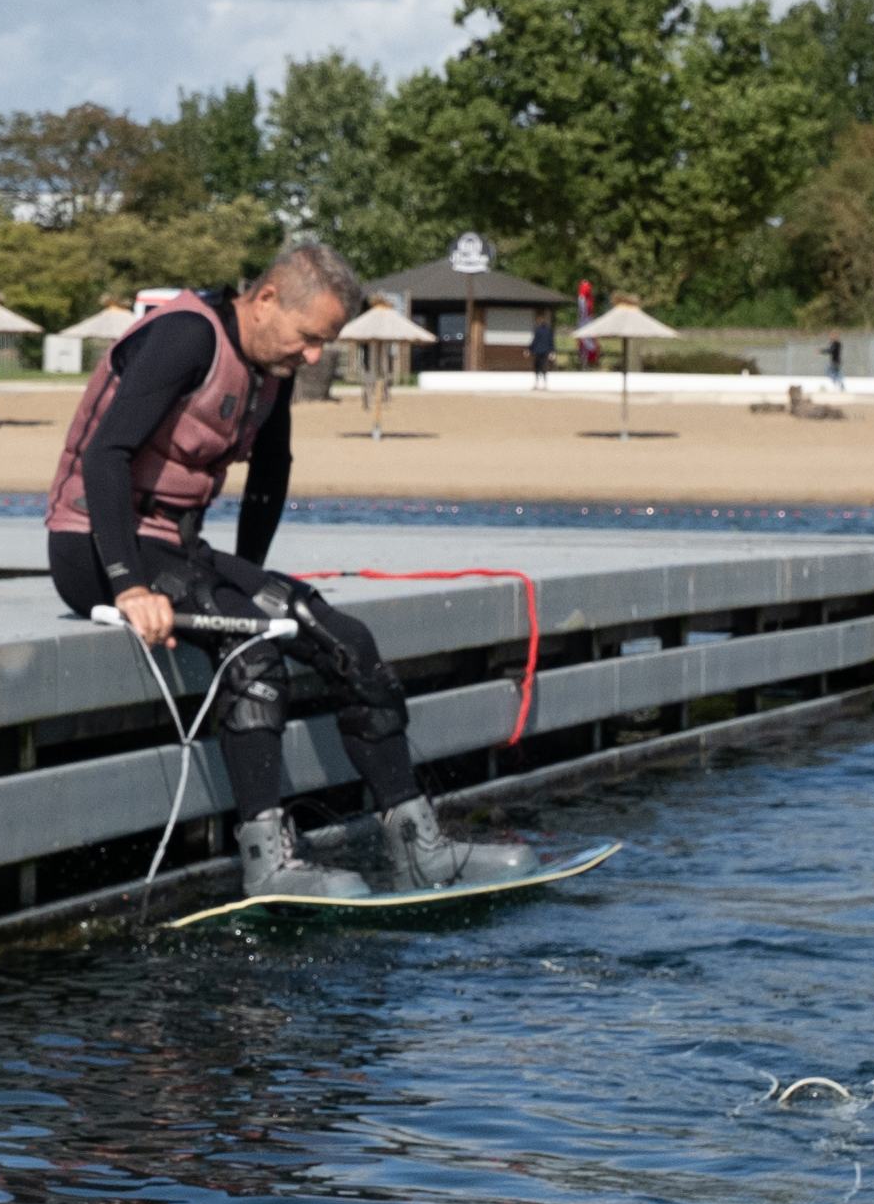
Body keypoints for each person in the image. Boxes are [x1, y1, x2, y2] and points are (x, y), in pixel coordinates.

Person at [49, 240, 521, 896]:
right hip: (93, 547)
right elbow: (106, 455)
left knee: (346, 639)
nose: (313, 356)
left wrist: (250, 581)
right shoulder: (187, 336)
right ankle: (267, 862)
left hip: (179, 551)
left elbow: (271, 475)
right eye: (308, 338)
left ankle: (418, 847)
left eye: (323, 343)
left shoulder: (272, 369)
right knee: (252, 648)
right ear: (266, 299)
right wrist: (128, 584)